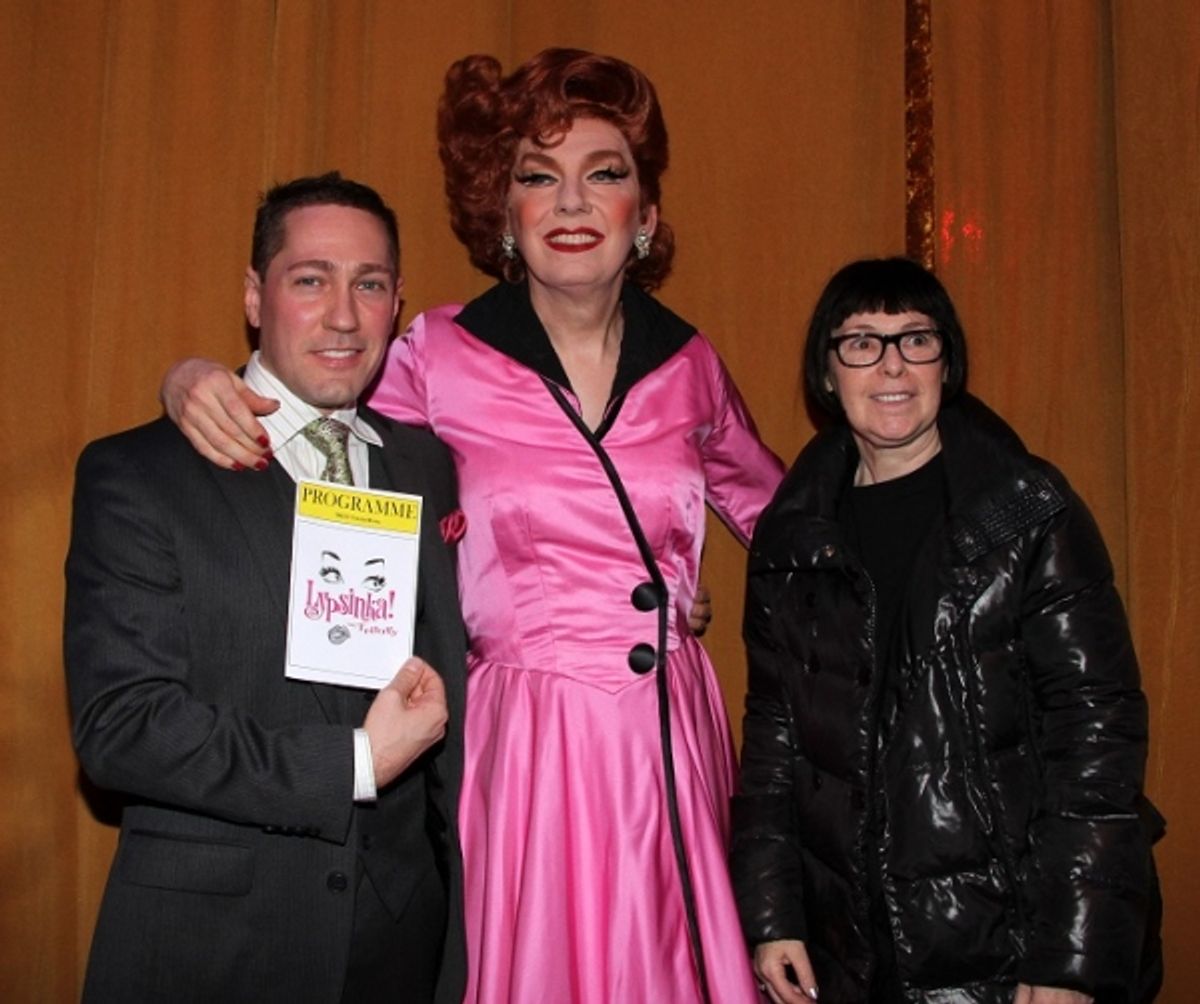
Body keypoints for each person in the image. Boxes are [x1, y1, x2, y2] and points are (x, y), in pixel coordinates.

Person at [162, 48, 785, 1004]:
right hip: (523, 744)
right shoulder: (440, 352)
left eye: (604, 175)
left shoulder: (689, 362)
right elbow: (316, 417)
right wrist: (192, 383)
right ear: (505, 215)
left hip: (668, 743)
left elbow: (791, 521)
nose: (572, 203)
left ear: (646, 219)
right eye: (540, 178)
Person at [66, 174, 468, 1003]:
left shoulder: (426, 467)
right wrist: (356, 762)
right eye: (310, 279)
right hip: (211, 949)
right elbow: (122, 726)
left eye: (370, 284)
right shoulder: (139, 473)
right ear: (255, 297)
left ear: (398, 303)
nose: (345, 316)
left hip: (398, 948)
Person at [731, 257, 1164, 1004]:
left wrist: (1069, 957)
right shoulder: (790, 538)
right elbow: (774, 740)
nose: (892, 364)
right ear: (827, 373)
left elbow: (1097, 736)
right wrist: (772, 916)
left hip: (1012, 942)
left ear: (946, 362)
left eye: (916, 339)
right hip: (852, 947)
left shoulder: (1029, 511)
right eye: (861, 341)